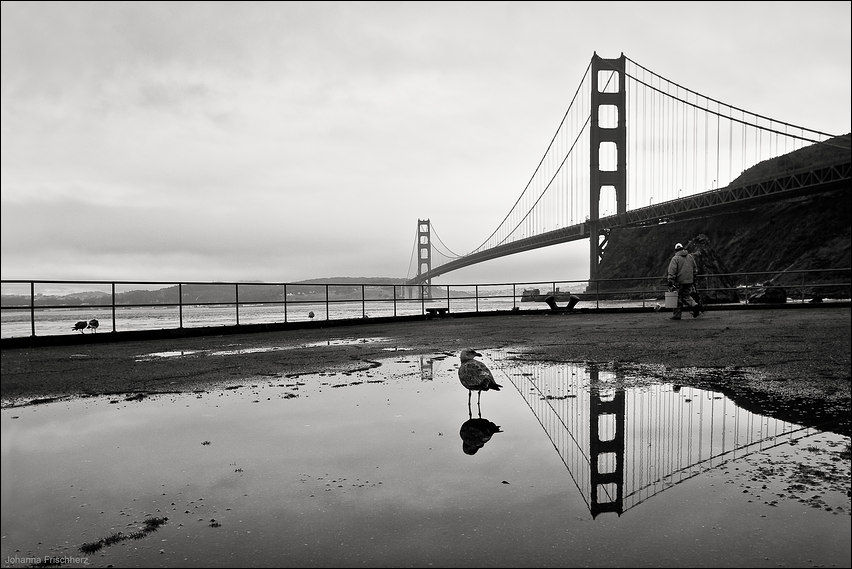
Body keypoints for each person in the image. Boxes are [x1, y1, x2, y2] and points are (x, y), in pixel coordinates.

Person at [666, 242, 701, 320]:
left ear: (675, 250)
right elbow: (695, 269)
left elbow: (672, 271)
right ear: (683, 248)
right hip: (689, 281)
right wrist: (693, 278)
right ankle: (694, 305)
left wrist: (670, 280)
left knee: (677, 298)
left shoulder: (675, 258)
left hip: (679, 282)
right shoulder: (690, 257)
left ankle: (677, 315)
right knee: (686, 296)